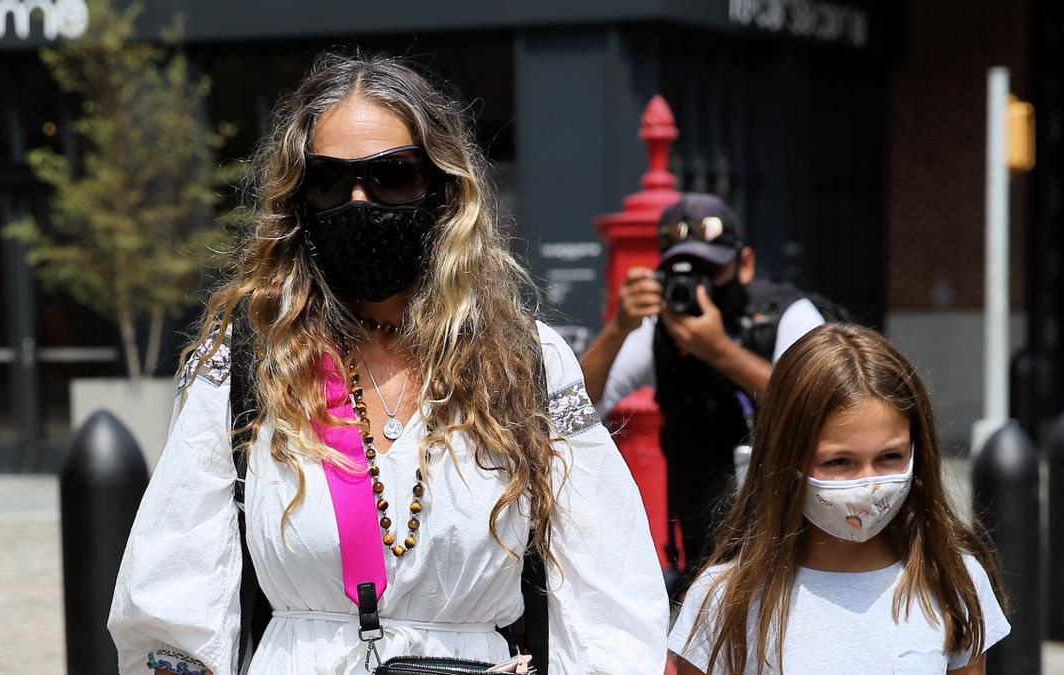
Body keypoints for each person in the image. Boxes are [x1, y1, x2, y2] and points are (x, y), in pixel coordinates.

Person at [107, 52, 668, 675]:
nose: (358, 200)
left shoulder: (524, 359)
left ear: (443, 189)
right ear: (298, 201)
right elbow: (172, 598)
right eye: (327, 180)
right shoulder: (245, 361)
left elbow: (609, 594)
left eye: (392, 176)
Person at [668, 323, 1010, 675]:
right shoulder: (725, 601)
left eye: (889, 457)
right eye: (838, 462)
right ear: (784, 461)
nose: (869, 485)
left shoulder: (952, 579)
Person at [580, 193, 826, 573]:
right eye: (682, 271)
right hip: (698, 548)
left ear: (745, 264)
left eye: (711, 271)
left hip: (789, 546)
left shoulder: (788, 314)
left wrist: (718, 351)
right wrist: (617, 328)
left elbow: (821, 403)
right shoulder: (658, 328)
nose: (697, 286)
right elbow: (579, 406)